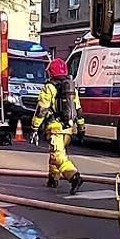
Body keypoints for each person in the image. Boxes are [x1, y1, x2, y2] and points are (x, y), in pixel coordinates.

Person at [37, 56, 85, 194]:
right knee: (55, 153)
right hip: (68, 129)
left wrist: (34, 127)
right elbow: (78, 110)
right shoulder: (72, 89)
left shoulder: (49, 88)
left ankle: (74, 177)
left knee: (58, 156)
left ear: (51, 72)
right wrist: (81, 129)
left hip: (55, 128)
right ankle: (53, 178)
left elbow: (41, 110)